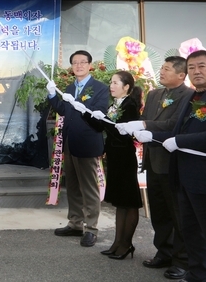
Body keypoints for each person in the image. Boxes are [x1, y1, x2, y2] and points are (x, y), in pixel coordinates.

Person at [134, 49, 206, 282]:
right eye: (193, 67)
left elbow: (176, 130)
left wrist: (175, 139)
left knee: (192, 225)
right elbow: (175, 129)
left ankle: (185, 262)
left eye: (202, 66)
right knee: (176, 220)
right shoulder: (190, 97)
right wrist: (146, 133)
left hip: (197, 173)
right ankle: (185, 266)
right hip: (173, 169)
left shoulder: (187, 95)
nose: (197, 72)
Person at [117, 56, 191, 279]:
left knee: (177, 214)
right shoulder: (154, 94)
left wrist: (144, 125)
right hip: (153, 161)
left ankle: (182, 260)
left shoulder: (188, 96)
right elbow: (145, 117)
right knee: (159, 212)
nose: (161, 72)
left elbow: (173, 125)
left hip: (173, 164)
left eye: (167, 69)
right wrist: (139, 125)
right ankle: (163, 252)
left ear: (181, 74)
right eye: (162, 68)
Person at [46, 50, 109, 247]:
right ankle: (75, 223)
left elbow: (100, 113)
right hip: (70, 144)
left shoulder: (99, 88)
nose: (79, 66)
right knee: (72, 186)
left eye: (83, 62)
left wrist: (88, 111)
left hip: (88, 144)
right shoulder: (69, 87)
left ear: (90, 65)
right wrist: (51, 94)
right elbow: (64, 110)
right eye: (75, 63)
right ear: (72, 67)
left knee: (89, 188)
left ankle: (91, 228)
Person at [82, 71, 143, 260]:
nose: (111, 86)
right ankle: (117, 242)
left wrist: (105, 120)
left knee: (129, 201)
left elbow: (122, 132)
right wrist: (85, 112)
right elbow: (101, 127)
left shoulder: (130, 105)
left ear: (126, 87)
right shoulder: (115, 104)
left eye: (116, 83)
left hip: (125, 158)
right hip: (115, 158)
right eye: (111, 82)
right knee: (119, 202)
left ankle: (126, 244)